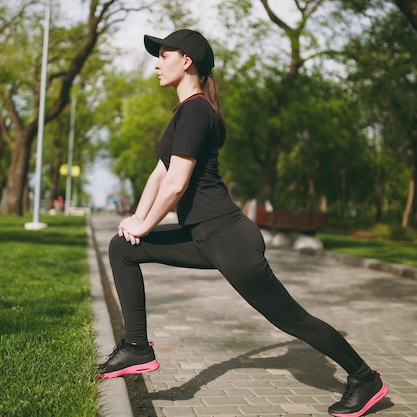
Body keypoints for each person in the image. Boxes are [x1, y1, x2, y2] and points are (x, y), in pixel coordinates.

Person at [97, 29, 388, 417]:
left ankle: (364, 377)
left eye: (164, 55)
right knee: (122, 247)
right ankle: (136, 347)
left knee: (292, 319)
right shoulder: (183, 113)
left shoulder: (198, 111)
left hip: (229, 238)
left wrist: (147, 224)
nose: (156, 63)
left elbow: (178, 183)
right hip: (201, 236)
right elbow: (160, 173)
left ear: (187, 61)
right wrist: (137, 216)